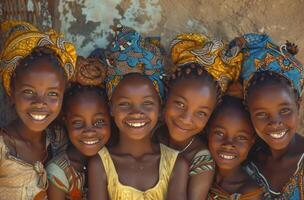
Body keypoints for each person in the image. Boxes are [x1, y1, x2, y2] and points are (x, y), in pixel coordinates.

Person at [88, 26, 188, 200]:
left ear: (160, 108)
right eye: (125, 104)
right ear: (111, 107)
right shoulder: (100, 165)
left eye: (147, 103)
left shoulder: (175, 165)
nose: (136, 113)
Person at [160, 33, 242, 199]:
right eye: (180, 104)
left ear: (211, 115)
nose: (186, 118)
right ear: (166, 93)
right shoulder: (154, 133)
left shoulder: (201, 161)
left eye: (201, 113)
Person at [0, 20, 76, 200]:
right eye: (28, 92)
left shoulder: (58, 138)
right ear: (12, 94)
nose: (40, 103)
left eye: (52, 94)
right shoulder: (3, 148)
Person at [236, 33, 304, 199]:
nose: (275, 122)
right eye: (261, 114)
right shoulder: (248, 162)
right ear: (248, 111)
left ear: (298, 105)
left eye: (285, 110)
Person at [46, 57, 110, 200]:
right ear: (65, 121)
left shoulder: (113, 161)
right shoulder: (59, 173)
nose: (89, 131)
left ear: (111, 118)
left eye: (99, 121)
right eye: (77, 122)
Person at [207, 95, 264, 200]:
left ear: (252, 141)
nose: (228, 144)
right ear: (207, 131)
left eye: (241, 137)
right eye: (219, 133)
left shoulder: (249, 193)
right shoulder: (196, 171)